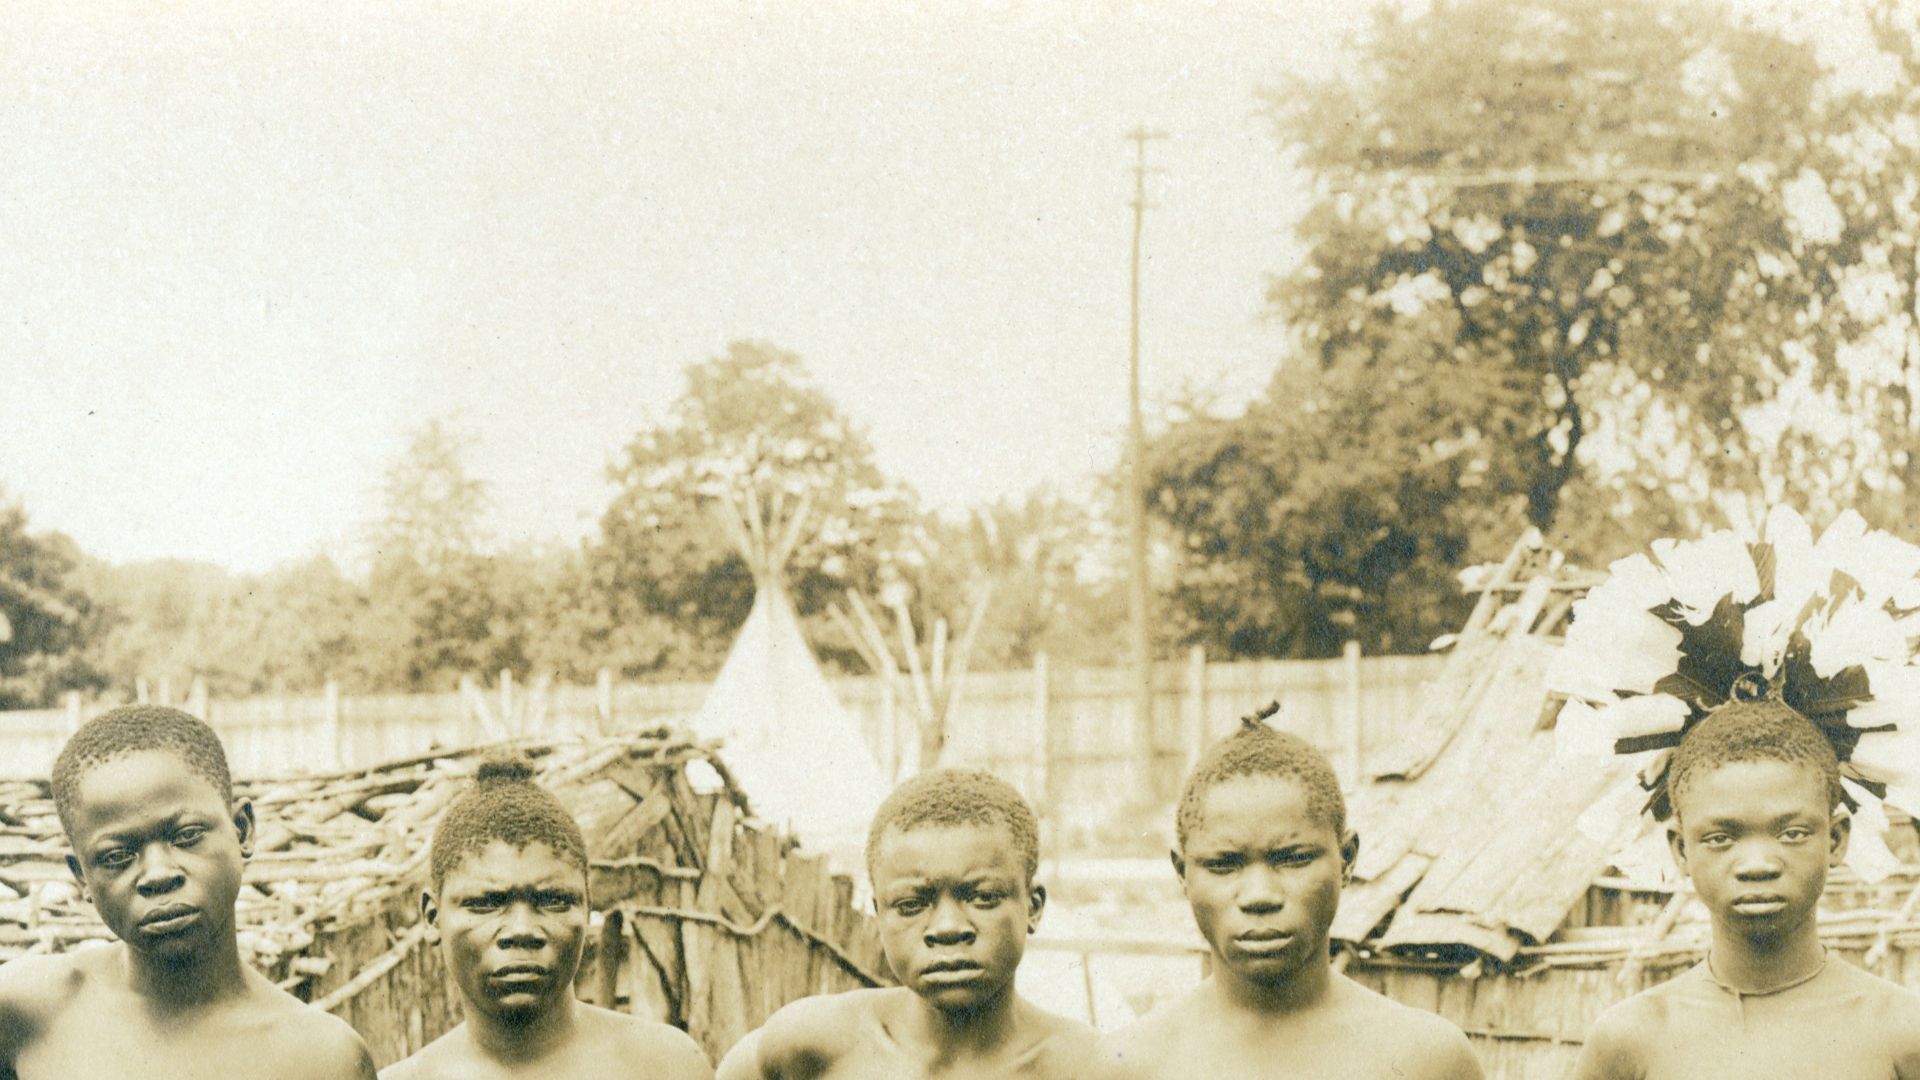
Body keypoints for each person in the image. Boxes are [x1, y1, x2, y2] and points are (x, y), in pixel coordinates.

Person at [0, 704, 377, 1079]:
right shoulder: (25, 1013)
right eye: (117, 855)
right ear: (81, 876)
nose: (159, 874)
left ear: (241, 830)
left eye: (187, 836)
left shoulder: (323, 1058)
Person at [1101, 714, 1481, 1080]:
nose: (1259, 895)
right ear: (1182, 873)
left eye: (1294, 859)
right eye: (1223, 865)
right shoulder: (1131, 1066)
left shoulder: (1428, 1061)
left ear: (1346, 860)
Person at [1571, 699, 1920, 1079]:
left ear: (1835, 840)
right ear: (1681, 849)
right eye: (1721, 838)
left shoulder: (1902, 1033)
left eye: (1792, 833)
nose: (1758, 865)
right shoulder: (1629, 1040)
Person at [715, 767, 1095, 1080]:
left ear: (1033, 907)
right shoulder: (808, 1047)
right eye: (912, 904)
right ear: (879, 913)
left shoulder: (1086, 1069)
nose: (947, 928)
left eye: (982, 897)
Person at [381, 757, 712, 1079]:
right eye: (486, 903)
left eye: (553, 901)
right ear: (432, 916)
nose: (522, 930)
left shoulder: (665, 1067)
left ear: (587, 907)